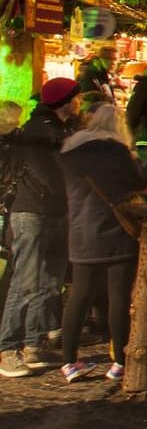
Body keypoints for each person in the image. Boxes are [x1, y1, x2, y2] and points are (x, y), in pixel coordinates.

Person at [0, 77, 82, 378]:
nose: (80, 102)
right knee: (26, 280)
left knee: (50, 281)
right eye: (77, 97)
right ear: (64, 101)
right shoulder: (37, 131)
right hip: (32, 211)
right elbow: (49, 173)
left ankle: (33, 345)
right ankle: (8, 348)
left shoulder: (63, 128)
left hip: (56, 211)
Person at [56, 103, 144, 382]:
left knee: (78, 297)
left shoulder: (69, 150)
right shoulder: (117, 151)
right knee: (118, 297)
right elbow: (137, 181)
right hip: (115, 230)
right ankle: (119, 361)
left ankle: (69, 362)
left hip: (81, 232)